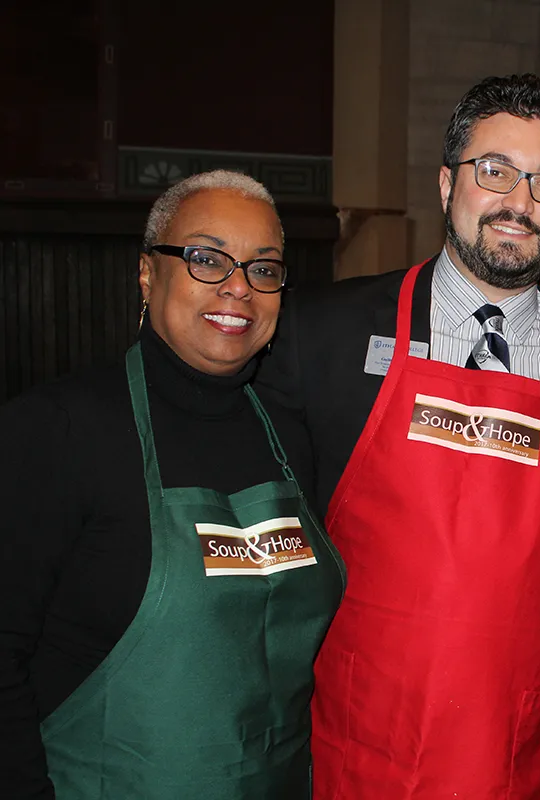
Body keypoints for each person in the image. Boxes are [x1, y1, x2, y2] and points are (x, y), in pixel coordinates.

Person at [255, 73, 540, 799]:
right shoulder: (325, 336)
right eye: (495, 171)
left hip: (522, 743)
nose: (520, 204)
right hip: (365, 735)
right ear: (447, 185)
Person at [0, 170, 345, 798]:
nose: (239, 287)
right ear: (146, 272)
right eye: (207, 259)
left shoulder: (290, 438)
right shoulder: (57, 430)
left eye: (263, 269)